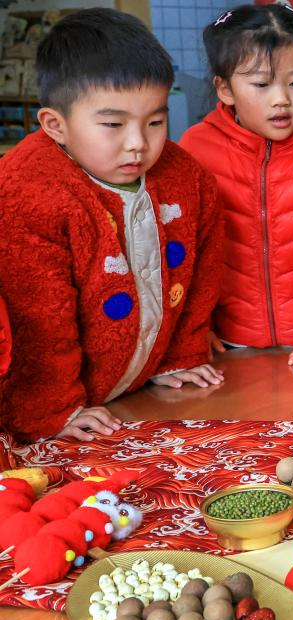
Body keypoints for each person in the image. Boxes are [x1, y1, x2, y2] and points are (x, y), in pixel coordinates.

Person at [0, 9, 224, 442]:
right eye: (113, 125)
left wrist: (181, 354)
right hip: (57, 414)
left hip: (133, 395)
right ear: (56, 125)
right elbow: (38, 321)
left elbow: (203, 274)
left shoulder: (187, 177)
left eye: (155, 122)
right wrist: (52, 409)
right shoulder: (25, 191)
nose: (138, 143)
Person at [180, 4, 293, 374]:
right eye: (261, 84)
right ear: (225, 88)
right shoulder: (195, 149)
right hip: (227, 344)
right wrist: (193, 330)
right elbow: (186, 253)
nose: (281, 99)